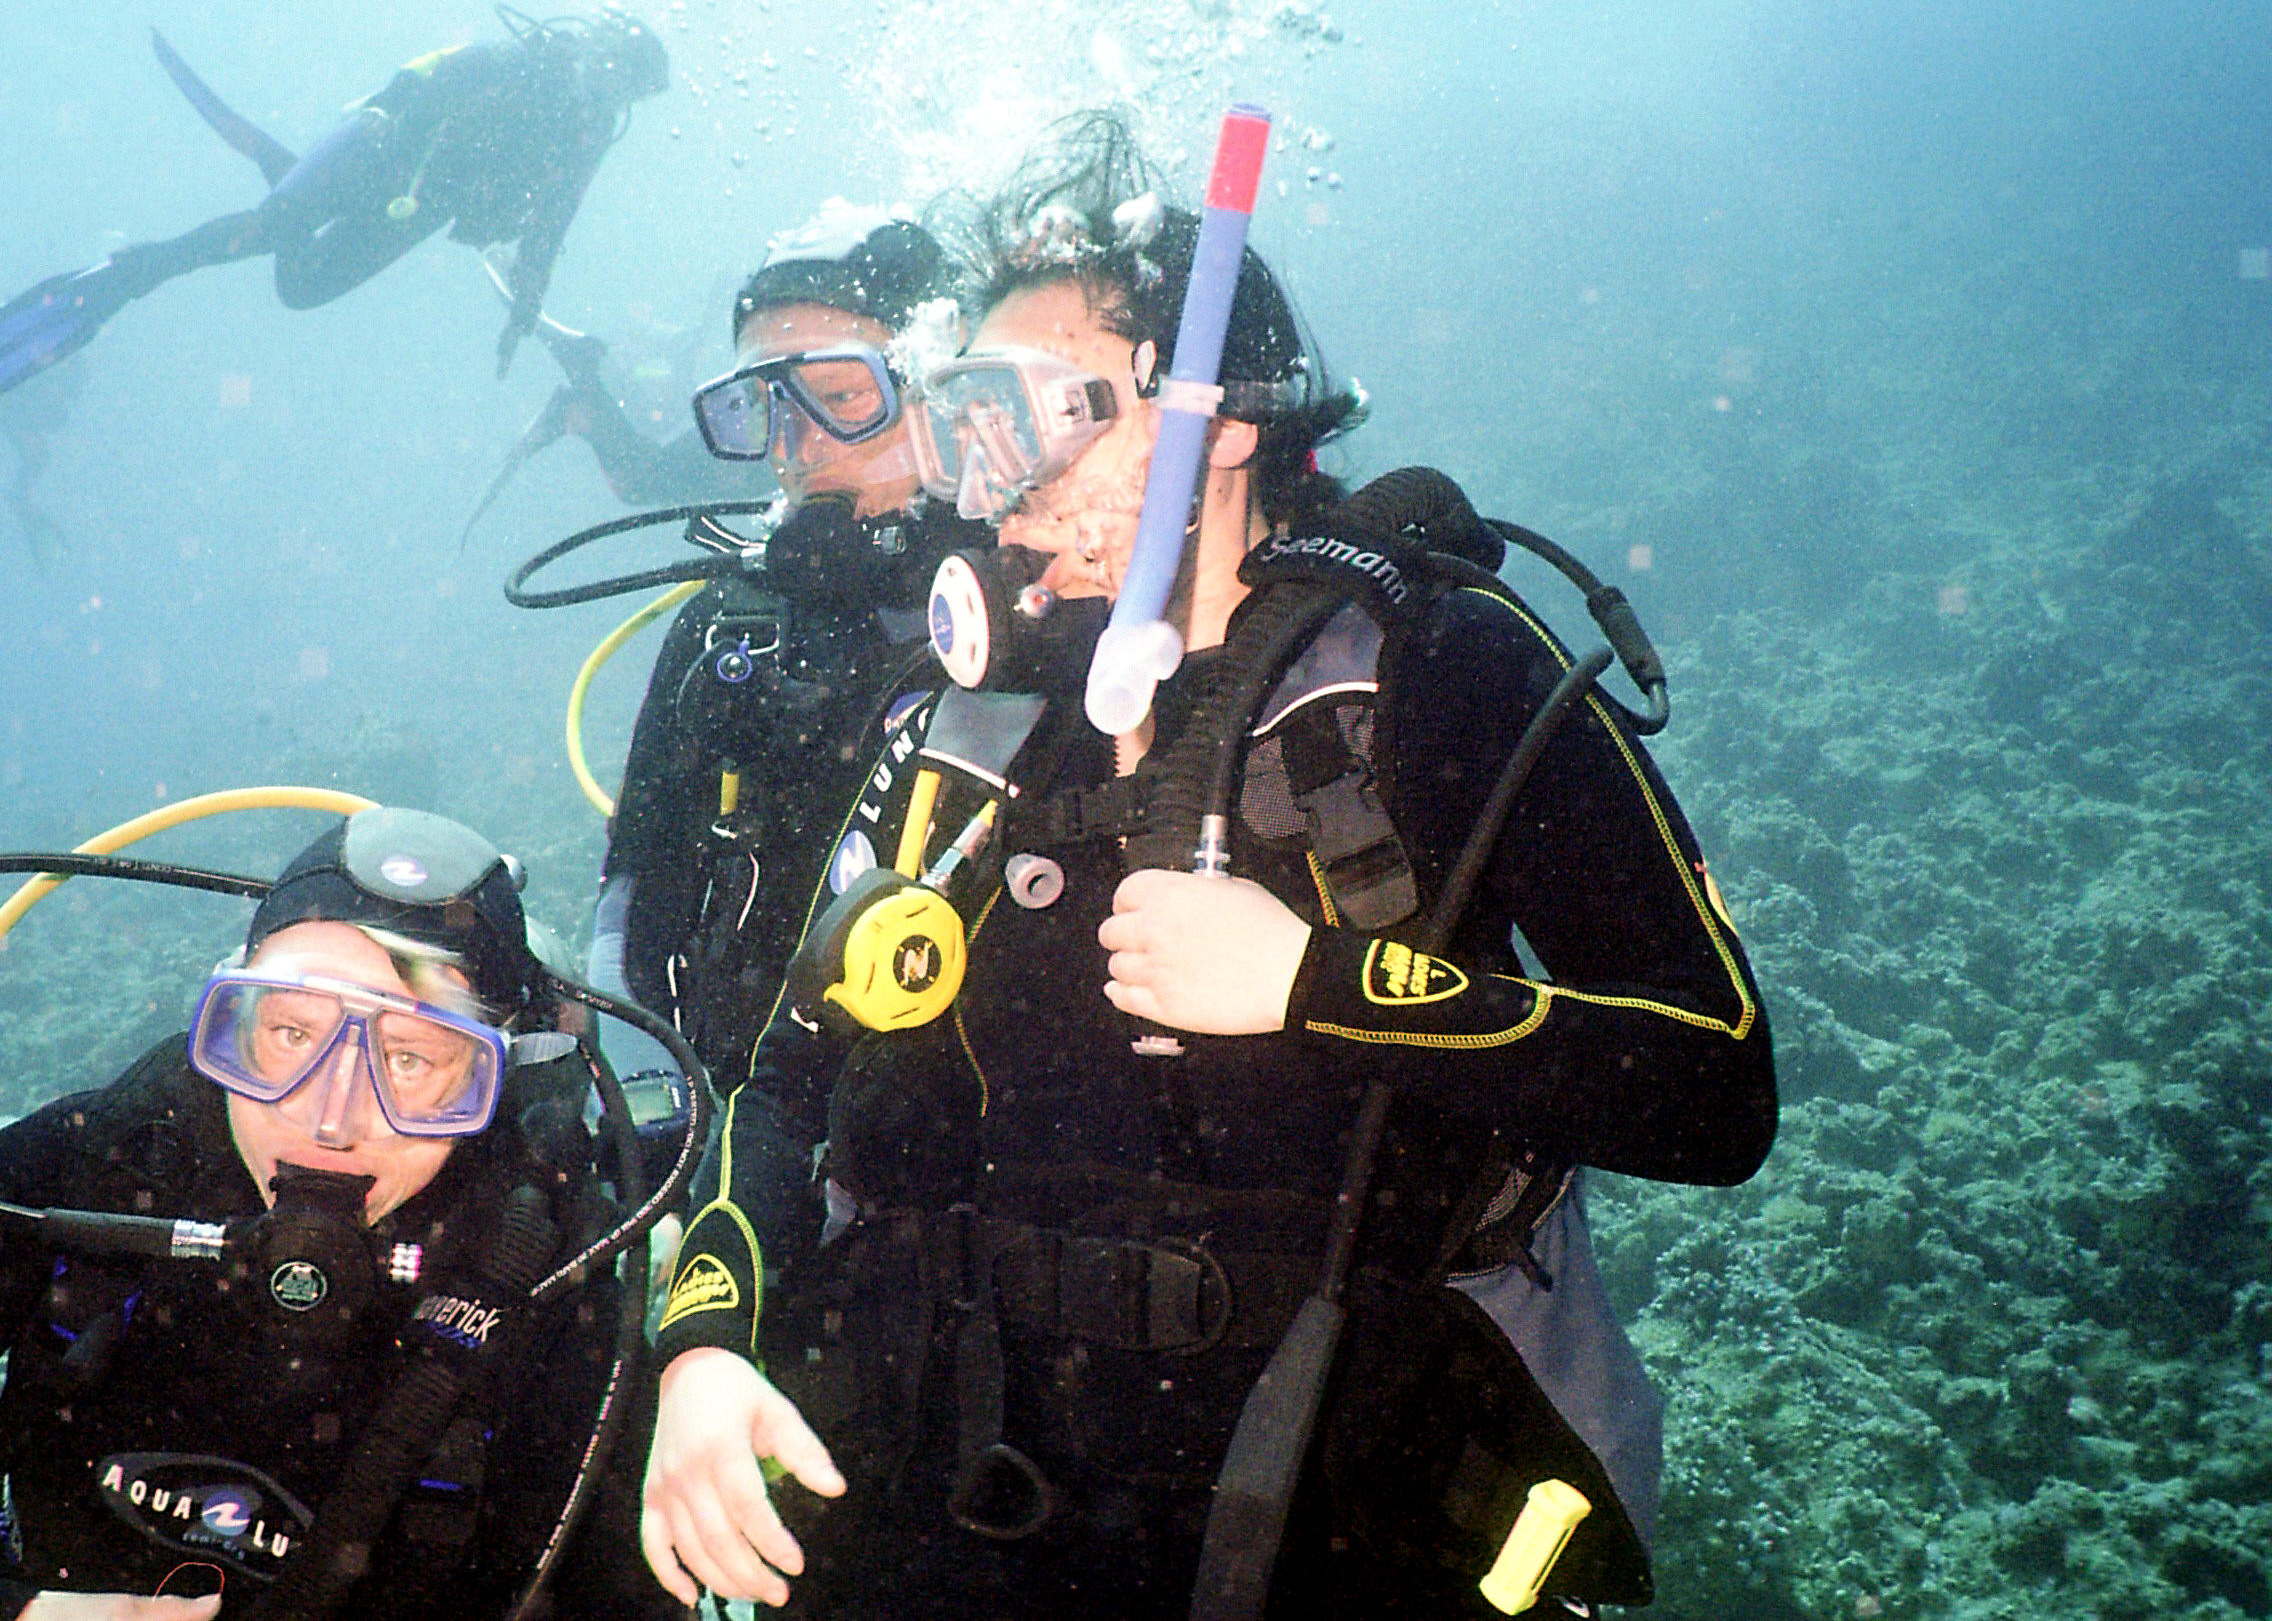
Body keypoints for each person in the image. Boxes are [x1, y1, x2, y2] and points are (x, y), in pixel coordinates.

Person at [637, 115, 1776, 1617]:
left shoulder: (1435, 671)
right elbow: (781, 1077)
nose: (995, 483)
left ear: (1219, 420)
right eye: (965, 424)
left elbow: (1715, 1084)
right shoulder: (964, 718)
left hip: (1341, 1516)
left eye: (1031, 415)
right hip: (969, 1496)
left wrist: (1320, 983)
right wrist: (702, 1346)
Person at [0, 807, 672, 1621]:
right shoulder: (92, 1170)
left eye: (411, 1058)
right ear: (229, 1022)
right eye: (290, 1035)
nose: (329, 1119)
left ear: (494, 1083)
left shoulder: (547, 1282)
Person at [586, 203, 986, 1091]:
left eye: (842, 398)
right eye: (763, 408)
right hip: (735, 1120)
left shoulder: (1049, 620)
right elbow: (630, 909)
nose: (797, 447)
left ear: (949, 392)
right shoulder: (725, 629)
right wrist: (656, 1114)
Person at [0, 8, 672, 403]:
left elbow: (552, 226)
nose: (608, 91)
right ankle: (133, 273)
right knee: (270, 229)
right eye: (613, 72)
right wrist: (381, 118)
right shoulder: (520, 61)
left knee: (301, 290)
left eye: (626, 90)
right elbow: (424, 78)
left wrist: (524, 314)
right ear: (594, 48)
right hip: (379, 151)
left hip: (417, 209)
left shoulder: (585, 139)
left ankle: (276, 171)